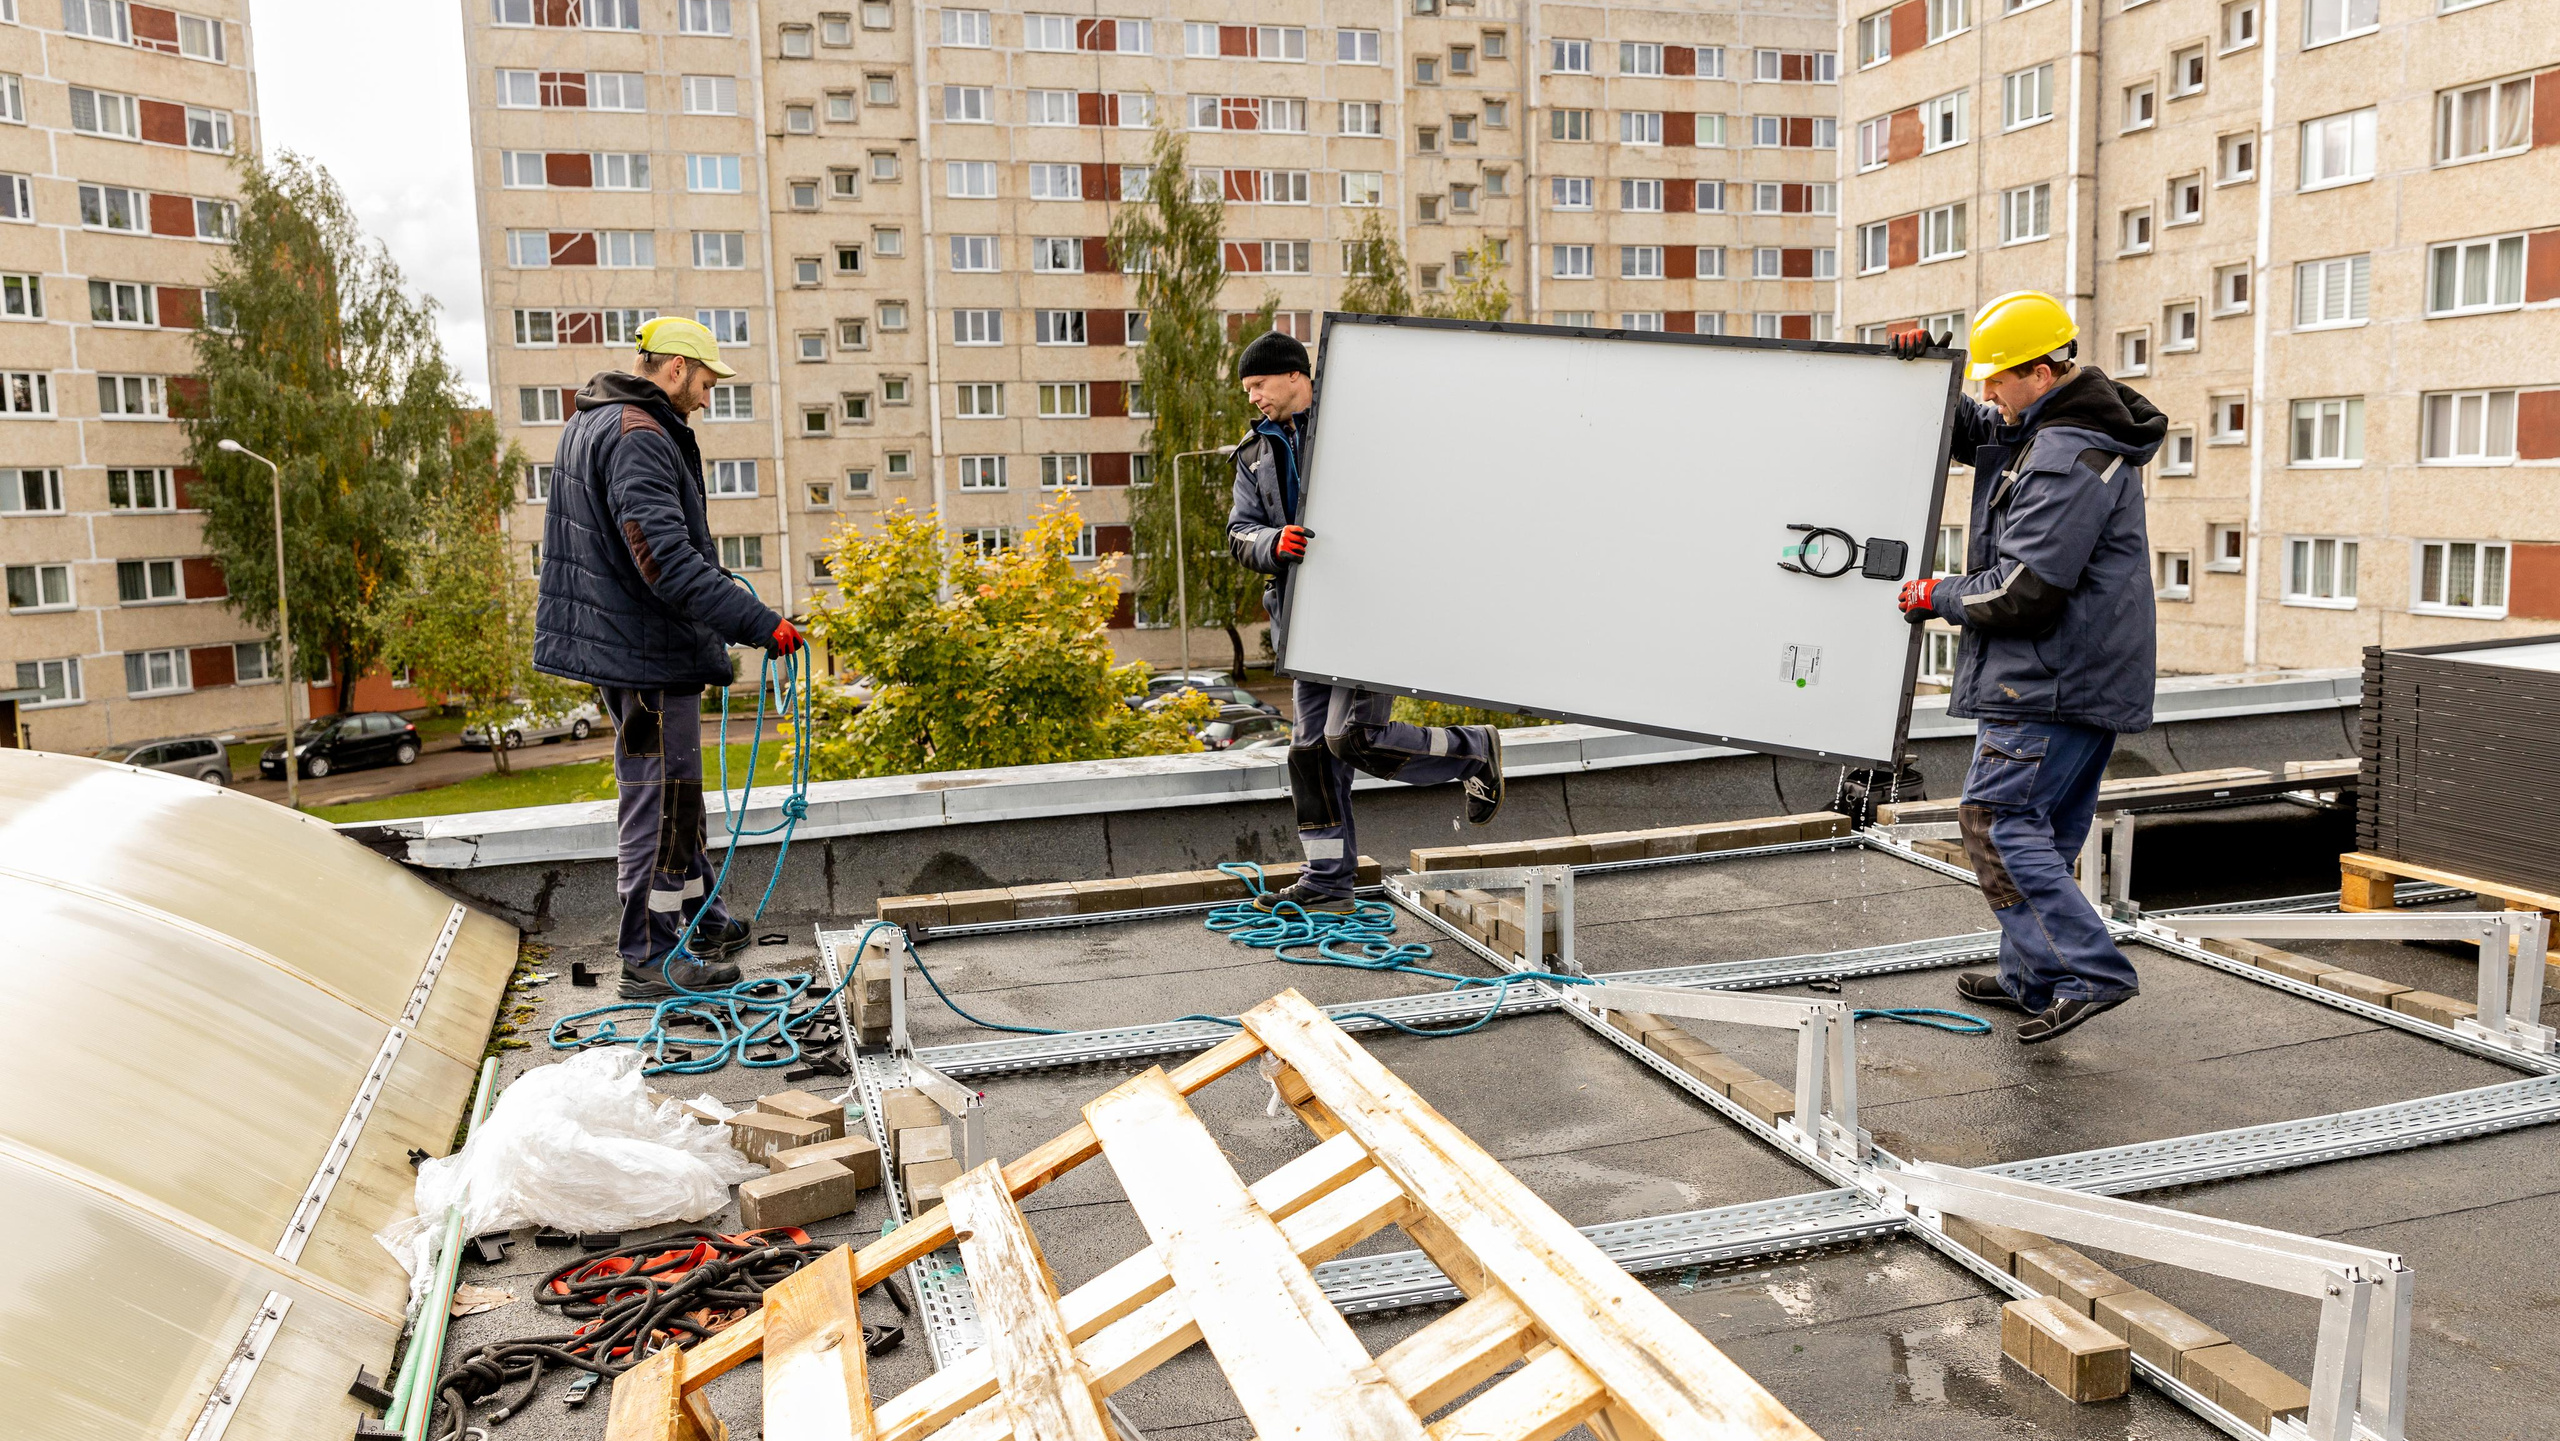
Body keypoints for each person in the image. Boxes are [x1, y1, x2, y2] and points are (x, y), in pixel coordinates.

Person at [1888, 291, 2166, 1043]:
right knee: (2039, 827)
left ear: (2041, 373)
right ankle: (2031, 976)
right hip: (2075, 674)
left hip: (2046, 676)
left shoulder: (2066, 459)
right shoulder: (2055, 425)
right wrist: (1932, 370)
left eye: (1996, 378)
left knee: (1997, 818)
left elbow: (2026, 589)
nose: (1988, 394)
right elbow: (1981, 427)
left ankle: (2089, 972)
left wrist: (1934, 593)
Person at [533, 316, 803, 998]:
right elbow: (667, 562)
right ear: (676, 368)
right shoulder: (638, 435)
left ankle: (695, 916)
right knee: (657, 803)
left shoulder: (601, 422)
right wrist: (760, 624)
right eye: (707, 383)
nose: (708, 400)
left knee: (678, 797)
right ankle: (649, 956)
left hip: (633, 647)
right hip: (644, 653)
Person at [1225, 328, 1506, 914]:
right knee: (1309, 752)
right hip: (1303, 620)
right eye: (1247, 387)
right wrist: (1275, 542)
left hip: (1370, 610)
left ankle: (1472, 749)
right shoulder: (1253, 455)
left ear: (1296, 376)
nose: (1253, 396)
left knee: (1350, 736)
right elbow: (1239, 534)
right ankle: (1327, 879)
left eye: (1259, 384)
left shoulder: (1360, 429)